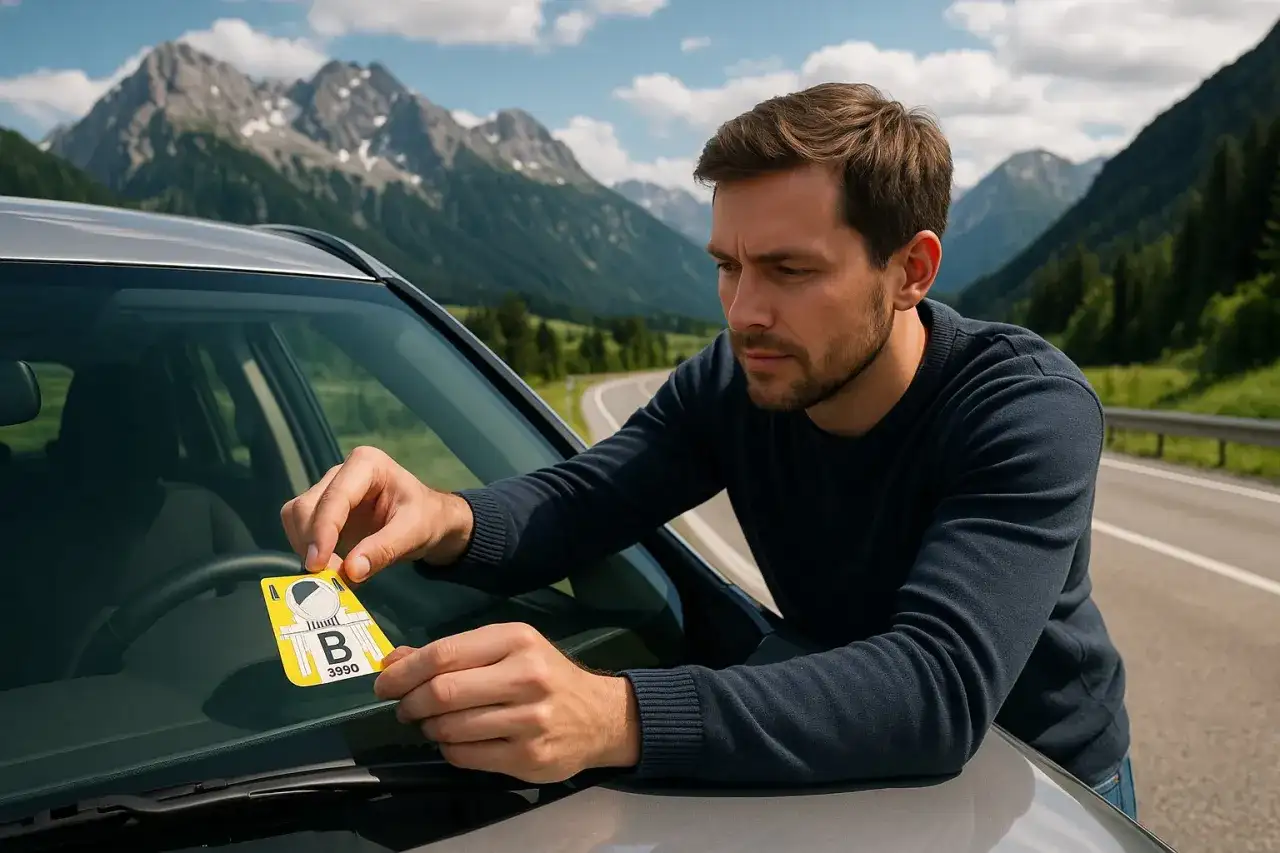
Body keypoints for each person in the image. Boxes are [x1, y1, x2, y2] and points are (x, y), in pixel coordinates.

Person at [279, 82, 1137, 819]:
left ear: (911, 269)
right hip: (826, 754)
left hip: (1039, 787)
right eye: (728, 264)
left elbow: (939, 686)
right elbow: (586, 499)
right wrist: (444, 514)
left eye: (789, 271)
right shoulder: (738, 379)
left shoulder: (1024, 407)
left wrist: (612, 715)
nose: (742, 311)